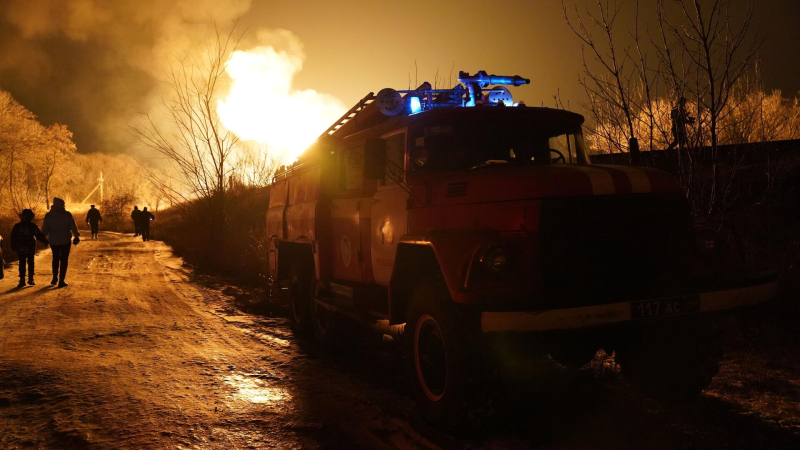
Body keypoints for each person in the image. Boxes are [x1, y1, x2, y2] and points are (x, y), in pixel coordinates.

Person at [42, 197, 80, 287]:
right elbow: (73, 227)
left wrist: (43, 239)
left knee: (55, 258)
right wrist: (76, 236)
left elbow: (44, 230)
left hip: (53, 240)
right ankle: (61, 280)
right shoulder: (67, 214)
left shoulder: (48, 215)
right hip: (65, 240)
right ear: (63, 205)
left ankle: (54, 278)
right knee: (64, 260)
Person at [10, 209, 49, 288]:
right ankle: (30, 279)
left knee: (22, 263)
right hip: (30, 247)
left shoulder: (17, 226)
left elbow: (13, 237)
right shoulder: (32, 226)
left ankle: (22, 280)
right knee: (30, 262)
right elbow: (38, 235)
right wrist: (45, 241)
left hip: (20, 247)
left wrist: (13, 246)